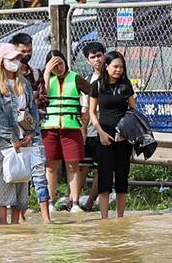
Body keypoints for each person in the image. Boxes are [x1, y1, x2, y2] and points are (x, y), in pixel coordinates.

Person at [0, 42, 34, 224]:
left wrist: (31, 133)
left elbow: (31, 109)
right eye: (12, 59)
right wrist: (11, 139)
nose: (16, 62)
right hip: (4, 142)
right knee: (5, 180)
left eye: (18, 58)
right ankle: (3, 224)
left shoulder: (24, 83)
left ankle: (16, 223)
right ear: (2, 61)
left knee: (21, 181)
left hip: (24, 138)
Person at [10, 32, 54, 224]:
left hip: (33, 130)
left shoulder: (35, 74)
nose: (26, 55)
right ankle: (20, 216)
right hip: (13, 133)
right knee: (20, 176)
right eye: (22, 52)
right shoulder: (6, 79)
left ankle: (46, 218)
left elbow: (43, 100)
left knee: (39, 173)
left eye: (29, 51)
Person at [41, 50, 89, 212]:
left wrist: (86, 112)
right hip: (49, 128)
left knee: (72, 166)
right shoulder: (46, 79)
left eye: (60, 63)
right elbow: (42, 96)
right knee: (51, 166)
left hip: (71, 127)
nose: (59, 67)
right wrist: (47, 73)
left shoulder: (75, 78)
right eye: (54, 65)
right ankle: (50, 202)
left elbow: (93, 93)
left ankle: (74, 203)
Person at [90, 50, 136, 218]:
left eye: (121, 67)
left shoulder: (126, 85)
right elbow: (92, 112)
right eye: (115, 66)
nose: (118, 70)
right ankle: (104, 218)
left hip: (123, 138)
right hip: (104, 137)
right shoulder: (97, 85)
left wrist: (128, 131)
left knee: (122, 177)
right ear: (106, 66)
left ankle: (120, 217)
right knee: (104, 177)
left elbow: (133, 109)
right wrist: (100, 132)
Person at [75, 40, 107, 212]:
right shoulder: (87, 81)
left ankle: (90, 203)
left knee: (101, 168)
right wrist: (83, 132)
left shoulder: (114, 77)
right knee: (83, 167)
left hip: (108, 128)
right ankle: (74, 201)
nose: (97, 60)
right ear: (88, 60)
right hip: (91, 130)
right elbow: (85, 109)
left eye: (99, 56)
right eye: (93, 57)